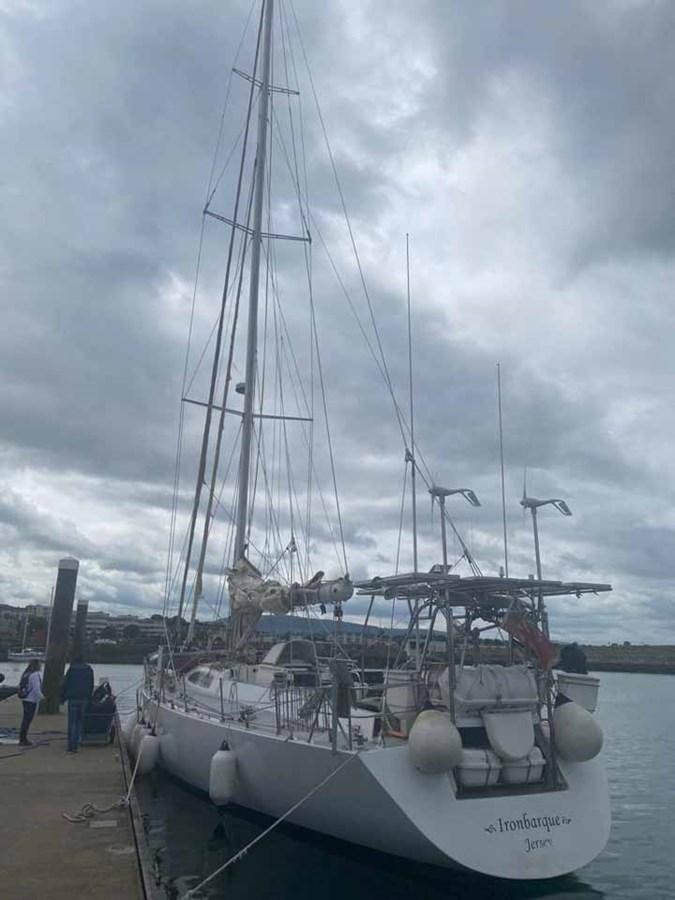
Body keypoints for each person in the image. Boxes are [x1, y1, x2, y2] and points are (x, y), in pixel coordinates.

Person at [60, 654, 94, 753]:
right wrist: (89, 697)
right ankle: (77, 743)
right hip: (84, 698)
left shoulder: (72, 669)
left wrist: (62, 698)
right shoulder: (89, 669)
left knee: (72, 723)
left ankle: (71, 746)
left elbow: (65, 684)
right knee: (80, 722)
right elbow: (91, 684)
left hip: (73, 698)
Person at [18, 659, 44, 746]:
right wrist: (43, 698)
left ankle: (22, 738)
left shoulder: (26, 674)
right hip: (31, 700)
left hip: (25, 699)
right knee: (27, 719)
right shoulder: (35, 675)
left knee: (26, 719)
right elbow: (36, 689)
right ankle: (23, 739)